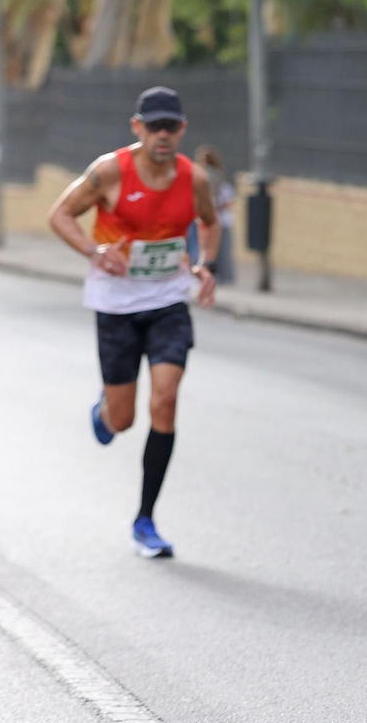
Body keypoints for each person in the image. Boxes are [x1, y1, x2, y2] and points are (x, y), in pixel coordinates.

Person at [48, 86, 220, 558]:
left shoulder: (194, 179)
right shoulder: (108, 172)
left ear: (182, 129)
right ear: (137, 127)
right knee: (121, 421)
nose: (162, 135)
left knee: (165, 400)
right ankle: (106, 408)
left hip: (168, 301)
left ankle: (145, 519)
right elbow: (60, 214)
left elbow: (209, 222)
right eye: (154, 126)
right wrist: (93, 250)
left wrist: (206, 263)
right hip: (116, 305)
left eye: (171, 126)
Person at [192, 144, 236, 283]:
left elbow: (227, 201)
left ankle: (224, 278)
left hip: (218, 220)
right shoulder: (200, 176)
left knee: (220, 252)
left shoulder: (212, 177)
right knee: (206, 251)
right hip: (204, 219)